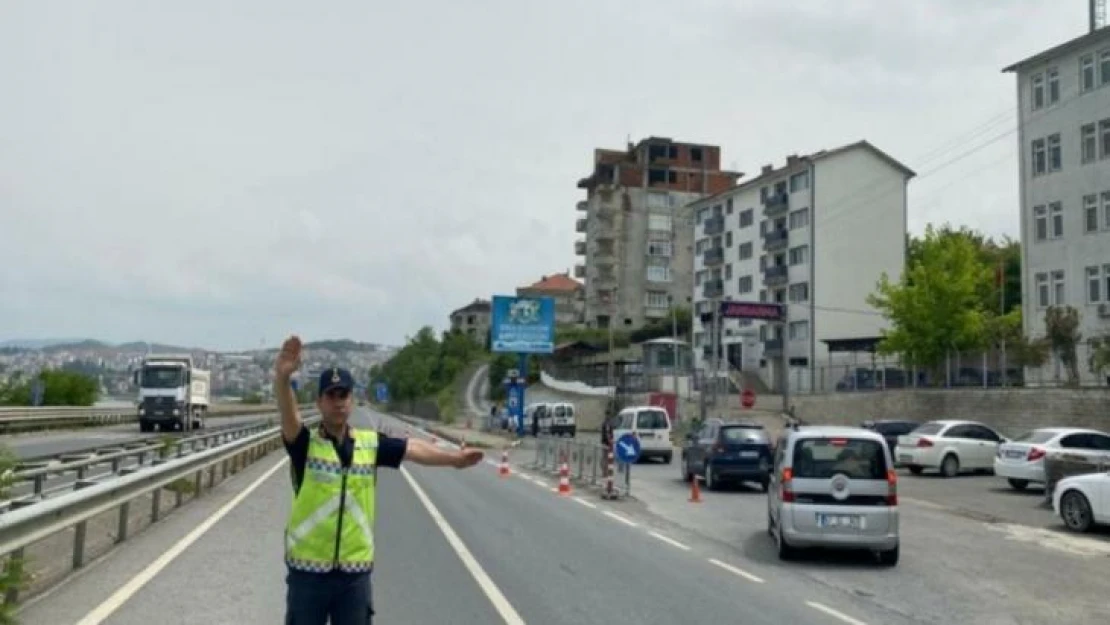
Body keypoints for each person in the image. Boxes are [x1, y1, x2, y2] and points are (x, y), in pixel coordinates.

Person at [274, 335, 484, 624]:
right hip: (308, 576)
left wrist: (454, 459)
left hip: (353, 577)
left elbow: (413, 448)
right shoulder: (305, 445)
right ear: (320, 401)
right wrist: (283, 379)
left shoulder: (369, 444)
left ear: (352, 400)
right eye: (331, 395)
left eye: (343, 395)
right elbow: (289, 415)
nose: (338, 402)